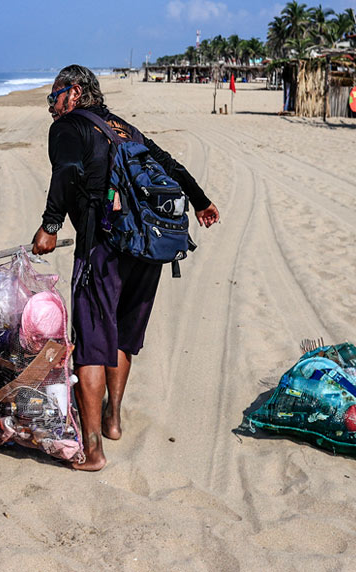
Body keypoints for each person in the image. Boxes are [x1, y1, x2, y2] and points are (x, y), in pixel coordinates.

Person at [31, 64, 219, 471]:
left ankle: (93, 450)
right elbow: (169, 165)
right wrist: (201, 201)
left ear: (74, 92)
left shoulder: (68, 127)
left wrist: (50, 225)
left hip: (103, 249)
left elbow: (66, 172)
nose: (50, 105)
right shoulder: (123, 128)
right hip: (147, 248)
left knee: (91, 344)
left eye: (54, 95)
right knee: (122, 336)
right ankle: (113, 420)